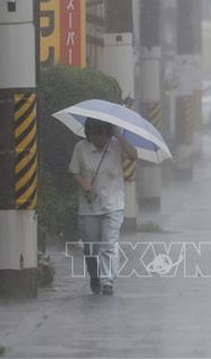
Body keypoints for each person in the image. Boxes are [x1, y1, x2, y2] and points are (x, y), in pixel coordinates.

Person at [69, 118, 137, 295]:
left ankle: (108, 282)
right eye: (94, 134)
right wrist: (84, 184)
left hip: (113, 205)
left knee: (108, 244)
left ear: (108, 134)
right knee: (91, 247)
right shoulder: (81, 148)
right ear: (88, 134)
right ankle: (95, 275)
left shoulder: (115, 145)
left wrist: (119, 136)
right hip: (88, 207)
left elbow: (133, 155)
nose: (98, 139)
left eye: (102, 134)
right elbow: (74, 171)